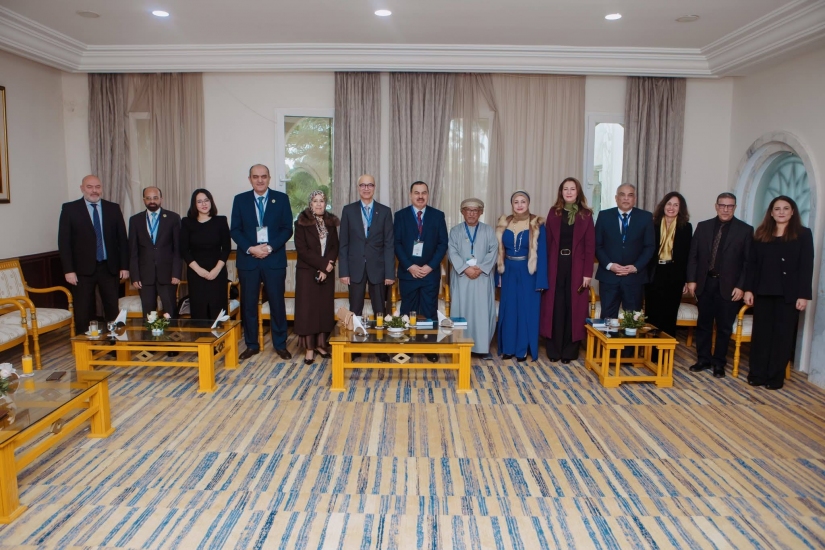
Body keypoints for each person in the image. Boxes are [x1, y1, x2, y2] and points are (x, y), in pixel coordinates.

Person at [743, 196, 813, 390]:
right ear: (771, 213)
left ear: (792, 212)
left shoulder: (803, 234)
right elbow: (752, 265)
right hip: (763, 291)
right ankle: (757, 374)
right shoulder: (761, 233)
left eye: (785, 208)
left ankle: (775, 377)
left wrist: (803, 295)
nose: (781, 212)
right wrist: (748, 289)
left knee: (782, 337)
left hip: (788, 295)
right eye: (777, 208)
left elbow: (806, 266)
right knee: (761, 335)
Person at [686, 192, 753, 378]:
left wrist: (741, 286)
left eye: (730, 206)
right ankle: (703, 359)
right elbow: (693, 256)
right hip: (705, 283)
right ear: (716, 206)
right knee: (704, 324)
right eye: (722, 205)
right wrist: (691, 280)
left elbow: (748, 263)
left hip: (730, 288)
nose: (726, 209)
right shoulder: (703, 226)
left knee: (724, 327)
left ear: (735, 208)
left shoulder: (745, 230)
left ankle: (719, 363)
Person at [230, 164, 294, 361]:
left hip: (273, 259)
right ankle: (251, 345)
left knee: (277, 303)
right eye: (256, 176)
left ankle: (280, 345)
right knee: (249, 304)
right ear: (250, 179)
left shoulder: (281, 199)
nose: (260, 180)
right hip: (248, 260)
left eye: (263, 176)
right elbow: (235, 230)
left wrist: (270, 247)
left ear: (269, 178)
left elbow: (287, 228)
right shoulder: (240, 200)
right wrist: (251, 249)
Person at [58, 175, 129, 335]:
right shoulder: (70, 209)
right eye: (89, 187)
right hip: (81, 270)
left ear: (101, 188)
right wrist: (68, 270)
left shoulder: (113, 208)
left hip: (109, 267)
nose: (94, 190)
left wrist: (124, 266)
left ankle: (115, 340)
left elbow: (122, 240)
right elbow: (64, 242)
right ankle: (85, 344)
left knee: (112, 307)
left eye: (97, 187)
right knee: (83, 309)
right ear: (82, 188)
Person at [338, 174, 394, 362]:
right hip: (355, 269)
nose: (366, 188)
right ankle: (355, 347)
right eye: (363, 185)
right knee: (355, 309)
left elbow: (389, 245)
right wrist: (344, 271)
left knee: (380, 310)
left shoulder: (384, 211)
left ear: (374, 187)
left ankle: (380, 347)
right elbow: (343, 244)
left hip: (378, 269)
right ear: (358, 188)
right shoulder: (348, 210)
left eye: (370, 185)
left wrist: (389, 273)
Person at [539, 178, 595, 363]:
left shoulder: (586, 215)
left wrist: (587, 273)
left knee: (574, 308)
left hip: (577, 267)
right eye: (565, 189)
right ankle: (554, 350)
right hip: (555, 266)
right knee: (555, 306)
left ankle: (569, 352)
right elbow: (547, 243)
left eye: (572, 189)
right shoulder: (553, 212)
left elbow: (590, 247)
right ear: (561, 192)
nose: (569, 192)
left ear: (578, 192)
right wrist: (544, 271)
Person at [394, 181, 449, 363]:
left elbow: (442, 244)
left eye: (423, 193)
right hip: (408, 273)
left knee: (429, 311)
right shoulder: (400, 216)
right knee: (407, 312)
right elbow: (396, 243)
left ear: (428, 195)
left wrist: (430, 266)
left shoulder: (437, 216)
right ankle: (407, 347)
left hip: (429, 274)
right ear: (411, 195)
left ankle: (429, 347)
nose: (420, 196)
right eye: (416, 193)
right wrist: (409, 266)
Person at [496, 190, 548, 362]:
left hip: (529, 272)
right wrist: (498, 276)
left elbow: (542, 254)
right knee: (509, 309)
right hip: (508, 271)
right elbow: (498, 251)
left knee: (526, 310)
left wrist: (541, 281)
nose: (519, 205)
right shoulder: (504, 222)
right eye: (516, 202)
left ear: (528, 203)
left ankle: (522, 350)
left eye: (523, 201)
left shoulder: (537, 224)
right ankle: (508, 348)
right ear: (512, 204)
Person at [594, 183, 655, 318]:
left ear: (635, 199)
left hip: (634, 278)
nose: (626, 198)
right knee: (608, 320)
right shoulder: (604, 216)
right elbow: (597, 245)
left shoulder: (645, 217)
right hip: (609, 278)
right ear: (616, 198)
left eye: (630, 195)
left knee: (632, 320)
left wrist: (635, 267)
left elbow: (649, 246)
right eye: (622, 195)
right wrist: (610, 265)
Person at [447, 198, 498, 359]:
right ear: (462, 212)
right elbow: (452, 252)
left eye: (475, 210)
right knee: (461, 310)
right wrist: (466, 268)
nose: (471, 213)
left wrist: (480, 268)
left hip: (482, 278)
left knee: (482, 312)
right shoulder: (455, 231)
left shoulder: (488, 231)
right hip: (462, 277)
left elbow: (493, 251)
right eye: (468, 210)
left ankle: (482, 348)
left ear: (481, 212)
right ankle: (459, 346)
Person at [294, 191, 339, 364]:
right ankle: (309, 349)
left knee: (324, 309)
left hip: (327, 272)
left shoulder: (331, 222)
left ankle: (321, 345)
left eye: (322, 201)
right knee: (308, 311)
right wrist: (323, 265)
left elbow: (335, 246)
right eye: (315, 201)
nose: (319, 204)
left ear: (325, 203)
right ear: (310, 203)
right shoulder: (301, 222)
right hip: (307, 272)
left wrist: (328, 267)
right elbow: (302, 250)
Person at [644, 192, 692, 341]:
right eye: (669, 204)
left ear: (680, 208)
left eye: (676, 205)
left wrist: (687, 279)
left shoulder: (686, 227)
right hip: (654, 272)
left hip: (675, 274)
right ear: (663, 205)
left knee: (669, 313)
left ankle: (666, 348)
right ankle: (651, 349)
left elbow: (687, 255)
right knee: (652, 312)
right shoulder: (653, 224)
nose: (671, 208)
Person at [128, 187, 181, 318]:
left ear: (161, 199)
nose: (152, 201)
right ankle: (149, 333)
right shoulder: (135, 220)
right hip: (145, 276)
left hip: (168, 275)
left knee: (170, 312)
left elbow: (178, 249)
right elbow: (133, 251)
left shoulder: (173, 218)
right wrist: (135, 276)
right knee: (148, 315)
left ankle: (171, 332)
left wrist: (176, 273)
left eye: (155, 198)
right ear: (144, 200)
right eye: (148, 198)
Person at [180, 189, 231, 321]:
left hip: (217, 272)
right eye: (199, 201)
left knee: (218, 311)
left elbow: (226, 248)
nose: (204, 204)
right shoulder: (186, 222)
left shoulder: (221, 221)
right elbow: (184, 250)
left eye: (206, 200)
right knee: (199, 311)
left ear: (211, 201)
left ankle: (220, 335)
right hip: (196, 273)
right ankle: (201, 334)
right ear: (194, 204)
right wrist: (199, 270)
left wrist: (216, 270)